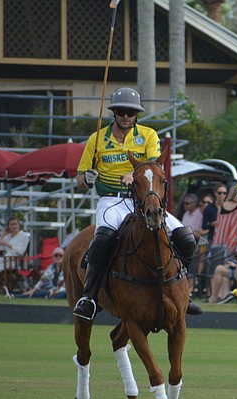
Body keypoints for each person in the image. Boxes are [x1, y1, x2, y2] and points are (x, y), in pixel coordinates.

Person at [72, 86, 202, 319]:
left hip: (142, 201)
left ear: (136, 115)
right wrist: (87, 178)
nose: (125, 116)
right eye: (121, 111)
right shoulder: (97, 139)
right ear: (113, 112)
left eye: (130, 112)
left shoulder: (148, 135)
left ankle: (183, 292)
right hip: (111, 200)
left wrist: (135, 174)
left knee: (185, 237)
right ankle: (89, 297)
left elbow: (153, 166)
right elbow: (80, 180)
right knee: (103, 239)